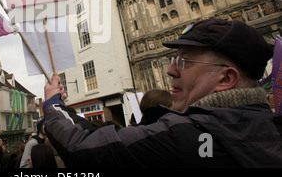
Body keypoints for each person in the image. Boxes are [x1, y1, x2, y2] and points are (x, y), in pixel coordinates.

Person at [43, 18, 282, 167]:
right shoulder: (270, 127)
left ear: (226, 78)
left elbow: (82, 149)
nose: (170, 70)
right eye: (173, 60)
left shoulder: (183, 136)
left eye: (184, 62)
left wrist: (53, 104)